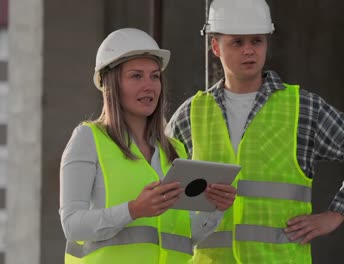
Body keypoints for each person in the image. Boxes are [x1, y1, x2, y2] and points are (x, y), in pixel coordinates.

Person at [166, 0, 344, 263]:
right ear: (216, 46)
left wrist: (336, 214)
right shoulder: (191, 114)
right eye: (237, 42)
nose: (249, 50)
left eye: (257, 41)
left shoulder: (302, 108)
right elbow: (163, 190)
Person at [59, 28, 236, 264]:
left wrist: (214, 209)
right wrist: (133, 210)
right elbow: (72, 226)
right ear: (111, 83)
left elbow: (182, 236)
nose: (149, 86)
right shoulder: (88, 139)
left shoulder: (175, 150)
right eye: (136, 76)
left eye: (154, 76)